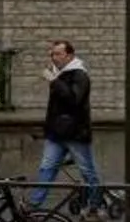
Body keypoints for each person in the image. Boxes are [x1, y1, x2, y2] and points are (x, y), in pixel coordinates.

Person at [30, 38, 103, 210]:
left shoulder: (80, 75)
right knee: (46, 168)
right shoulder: (59, 75)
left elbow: (74, 99)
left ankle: (95, 205)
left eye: (58, 54)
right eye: (52, 54)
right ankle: (34, 205)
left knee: (87, 171)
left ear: (70, 55)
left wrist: (55, 82)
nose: (54, 57)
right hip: (56, 134)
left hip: (75, 133)